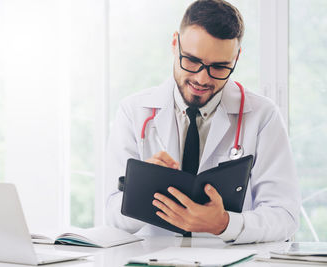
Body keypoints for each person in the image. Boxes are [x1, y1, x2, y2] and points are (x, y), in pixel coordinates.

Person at [105, 0, 300, 244]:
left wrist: (225, 224)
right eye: (192, 61)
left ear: (236, 57)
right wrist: (142, 189)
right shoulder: (134, 112)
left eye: (219, 67)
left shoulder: (262, 115)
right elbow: (112, 214)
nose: (201, 78)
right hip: (153, 259)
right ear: (175, 44)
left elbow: (285, 215)